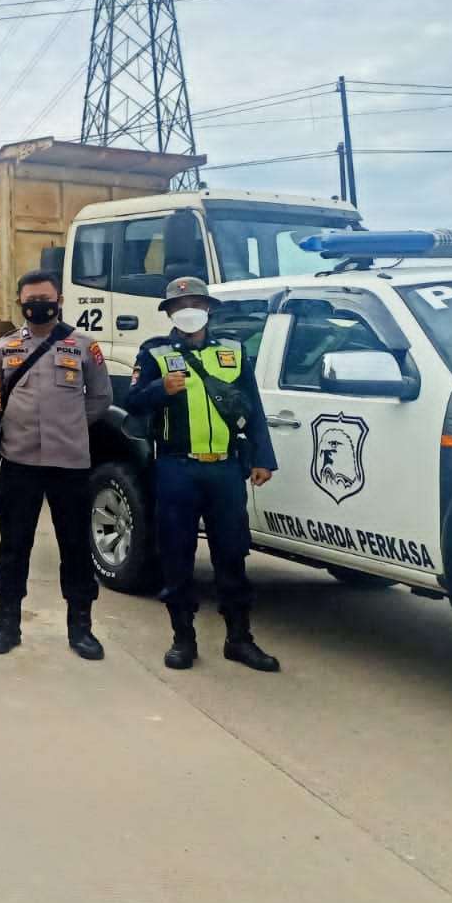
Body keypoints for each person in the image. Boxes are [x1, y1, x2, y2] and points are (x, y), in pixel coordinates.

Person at [124, 277, 281, 672]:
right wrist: (161, 388)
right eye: (179, 305)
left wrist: (263, 457)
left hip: (226, 467)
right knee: (177, 553)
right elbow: (134, 403)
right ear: (170, 313)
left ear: (208, 308)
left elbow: (254, 409)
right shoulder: (154, 352)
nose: (188, 309)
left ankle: (239, 638)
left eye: (195, 302)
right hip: (177, 466)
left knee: (232, 552)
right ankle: (183, 638)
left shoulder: (232, 351)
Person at [0, 270, 111, 660]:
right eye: (31, 298)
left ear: (60, 301)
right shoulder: (4, 347)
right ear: (20, 302)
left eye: (46, 298)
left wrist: (68, 427)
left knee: (75, 547)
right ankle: (7, 623)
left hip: (69, 464)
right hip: (19, 463)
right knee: (14, 545)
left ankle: (81, 628)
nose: (38, 304)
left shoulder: (84, 345)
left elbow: (101, 398)